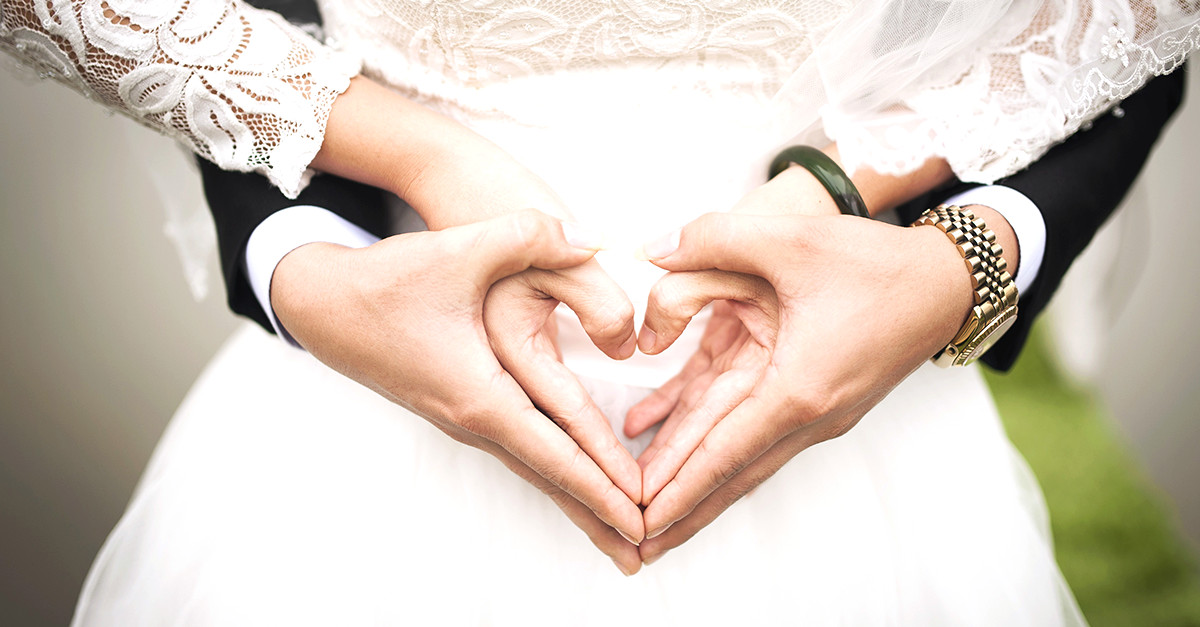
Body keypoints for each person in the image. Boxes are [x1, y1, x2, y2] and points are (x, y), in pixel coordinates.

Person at [1, 1, 1194, 624]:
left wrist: (945, 262)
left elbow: (1130, 21)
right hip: (376, 423)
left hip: (838, 423)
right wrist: (323, 255)